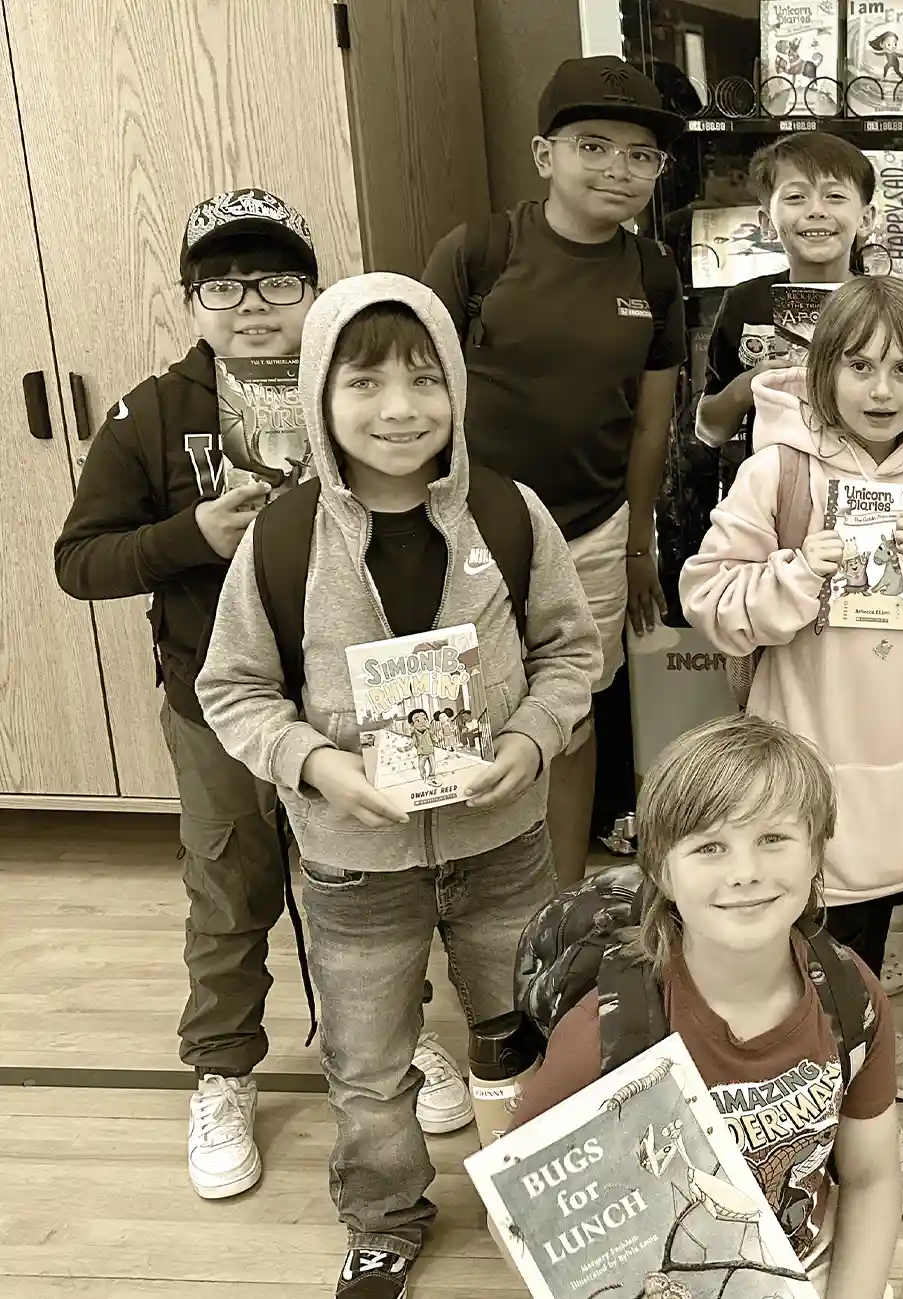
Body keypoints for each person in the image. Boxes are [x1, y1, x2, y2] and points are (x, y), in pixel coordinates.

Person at [197, 274, 600, 1299]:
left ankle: (557, 1191)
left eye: (424, 379)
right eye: (364, 381)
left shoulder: (508, 514)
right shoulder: (284, 538)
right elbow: (233, 690)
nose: (398, 408)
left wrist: (529, 741)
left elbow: (568, 651)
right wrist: (318, 764)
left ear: (456, 389)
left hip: (504, 849)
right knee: (371, 1069)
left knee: (529, 1031)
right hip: (350, 865)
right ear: (322, 397)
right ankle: (382, 1219)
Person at [51, 188, 455, 1203]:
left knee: (375, 880)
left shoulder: (364, 391)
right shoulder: (153, 413)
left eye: (276, 279)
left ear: (313, 292)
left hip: (354, 700)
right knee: (231, 887)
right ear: (192, 299)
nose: (251, 304)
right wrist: (193, 539)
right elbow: (80, 561)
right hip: (214, 702)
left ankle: (398, 1040)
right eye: (222, 283)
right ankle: (224, 1070)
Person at [681, 275, 903, 1217]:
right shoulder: (777, 474)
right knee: (820, 930)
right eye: (859, 365)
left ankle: (861, 1033)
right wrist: (794, 571)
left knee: (877, 911)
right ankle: (850, 1108)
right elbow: (708, 601)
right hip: (809, 758)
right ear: (824, 370)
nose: (880, 387)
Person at [511, 715, 901, 1299]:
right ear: (662, 870)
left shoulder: (850, 995)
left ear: (817, 852)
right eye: (710, 846)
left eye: (774, 838)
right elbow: (518, 1211)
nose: (745, 873)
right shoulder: (607, 1032)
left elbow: (871, 1178)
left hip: (806, 1266)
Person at [421, 55, 687, 886]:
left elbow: (652, 423)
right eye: (594, 146)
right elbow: (411, 393)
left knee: (571, 716)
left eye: (641, 155)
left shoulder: (651, 273)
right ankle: (460, 893)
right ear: (545, 155)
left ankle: (558, 904)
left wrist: (639, 541)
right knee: (453, 710)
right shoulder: (478, 252)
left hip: (595, 529)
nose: (619, 169)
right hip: (462, 528)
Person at [694, 132, 876, 469]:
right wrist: (749, 385)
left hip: (865, 493)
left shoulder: (889, 306)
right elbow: (709, 429)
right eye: (795, 197)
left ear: (866, 219)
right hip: (770, 498)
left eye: (834, 195)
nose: (816, 211)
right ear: (766, 223)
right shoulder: (745, 302)